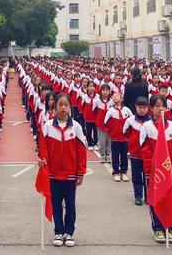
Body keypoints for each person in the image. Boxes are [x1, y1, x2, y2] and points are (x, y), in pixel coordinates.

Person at [39, 93, 87, 248]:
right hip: (53, 174)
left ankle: (69, 233)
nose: (63, 108)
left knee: (71, 206)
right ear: (55, 107)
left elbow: (81, 151)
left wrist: (80, 172)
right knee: (56, 205)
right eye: (60, 105)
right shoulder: (47, 126)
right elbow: (43, 148)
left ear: (70, 107)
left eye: (66, 105)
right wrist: (43, 160)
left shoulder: (76, 127)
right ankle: (58, 231)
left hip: (71, 174)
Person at [140, 95, 172, 244]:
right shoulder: (146, 127)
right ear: (151, 109)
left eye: (162, 106)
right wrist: (151, 169)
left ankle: (169, 227)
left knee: (168, 198)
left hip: (169, 171)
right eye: (157, 106)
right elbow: (145, 150)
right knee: (155, 199)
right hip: (153, 172)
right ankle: (157, 227)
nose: (160, 109)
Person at [123, 97, 150, 205]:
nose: (142, 110)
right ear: (136, 107)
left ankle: (149, 196)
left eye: (144, 107)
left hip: (148, 155)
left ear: (148, 108)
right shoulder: (130, 121)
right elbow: (125, 132)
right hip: (135, 154)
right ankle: (138, 196)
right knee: (136, 176)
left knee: (148, 176)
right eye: (140, 107)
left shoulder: (151, 121)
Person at [104, 91, 133, 182]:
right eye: (113, 96)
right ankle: (116, 172)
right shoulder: (111, 111)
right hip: (115, 138)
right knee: (115, 156)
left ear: (121, 99)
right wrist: (114, 129)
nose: (115, 97)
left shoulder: (127, 110)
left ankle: (124, 172)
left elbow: (132, 121)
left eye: (117, 96)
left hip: (125, 138)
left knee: (124, 155)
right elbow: (106, 122)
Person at [93, 84, 113, 163]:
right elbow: (94, 111)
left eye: (107, 90)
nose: (105, 92)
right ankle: (102, 155)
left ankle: (108, 154)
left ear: (109, 92)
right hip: (100, 123)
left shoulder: (111, 101)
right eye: (103, 90)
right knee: (101, 140)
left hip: (109, 124)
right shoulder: (97, 101)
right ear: (100, 91)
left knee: (109, 140)